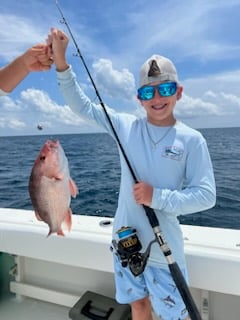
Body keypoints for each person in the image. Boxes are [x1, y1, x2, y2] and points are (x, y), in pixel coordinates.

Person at [48, 28, 216, 320]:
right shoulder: (126, 127)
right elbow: (82, 106)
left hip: (164, 248)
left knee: (173, 315)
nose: (157, 98)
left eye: (165, 89)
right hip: (125, 241)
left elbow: (206, 195)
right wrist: (62, 61)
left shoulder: (191, 140)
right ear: (139, 98)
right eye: (148, 92)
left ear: (178, 92)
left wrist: (158, 197)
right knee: (137, 305)